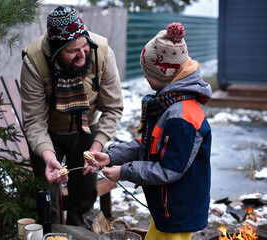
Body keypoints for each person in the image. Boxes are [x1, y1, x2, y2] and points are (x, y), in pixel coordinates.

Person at [84, 22, 212, 240]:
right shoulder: (169, 104)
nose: (144, 77)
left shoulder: (181, 117)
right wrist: (112, 157)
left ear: (164, 74)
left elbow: (168, 170)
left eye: (148, 72)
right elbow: (147, 144)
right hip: (165, 207)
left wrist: (124, 172)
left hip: (177, 210)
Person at [20, 6, 123, 227]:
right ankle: (51, 231)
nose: (82, 55)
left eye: (84, 46)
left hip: (87, 130)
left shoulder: (101, 51)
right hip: (48, 132)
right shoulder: (34, 60)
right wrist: (48, 157)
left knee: (85, 195)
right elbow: (34, 121)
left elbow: (113, 107)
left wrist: (97, 146)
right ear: (56, 52)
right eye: (72, 51)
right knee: (47, 197)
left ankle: (80, 232)